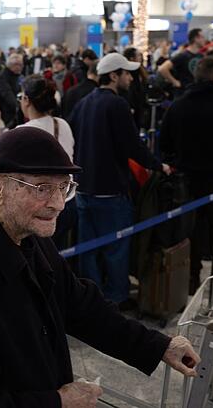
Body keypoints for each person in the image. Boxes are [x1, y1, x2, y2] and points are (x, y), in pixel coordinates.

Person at [0, 126, 200, 406]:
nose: (59, 204)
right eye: (42, 189)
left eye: (64, 187)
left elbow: (79, 306)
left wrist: (158, 346)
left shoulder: (25, 229)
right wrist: (59, 401)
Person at [69, 53, 166, 308]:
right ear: (113, 75)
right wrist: (159, 165)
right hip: (111, 190)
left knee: (88, 248)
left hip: (84, 189)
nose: (131, 78)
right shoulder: (117, 105)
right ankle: (116, 297)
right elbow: (133, 146)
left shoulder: (83, 103)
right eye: (127, 73)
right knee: (116, 248)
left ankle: (93, 300)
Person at [159, 58, 213, 291]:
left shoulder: (178, 105)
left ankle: (190, 280)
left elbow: (164, 144)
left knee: (190, 232)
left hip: (186, 181)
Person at [17, 75, 77, 250]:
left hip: (41, 208)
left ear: (26, 100)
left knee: (40, 257)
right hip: (67, 200)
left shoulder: (23, 132)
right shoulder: (62, 124)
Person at [158, 28, 205, 94]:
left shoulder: (201, 56)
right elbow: (163, 68)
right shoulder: (183, 55)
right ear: (196, 38)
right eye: (202, 37)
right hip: (184, 93)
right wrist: (175, 82)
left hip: (196, 92)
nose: (204, 39)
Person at [0, 53, 23, 128]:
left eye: (21, 65)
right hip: (5, 112)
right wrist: (19, 108)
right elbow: (7, 95)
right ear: (10, 65)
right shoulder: (3, 77)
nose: (19, 67)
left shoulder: (15, 75)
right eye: (16, 64)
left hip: (11, 111)